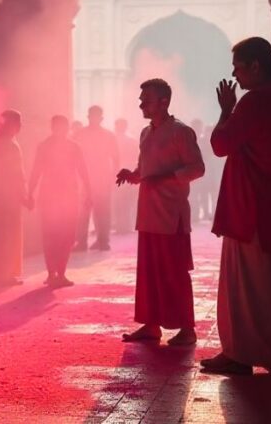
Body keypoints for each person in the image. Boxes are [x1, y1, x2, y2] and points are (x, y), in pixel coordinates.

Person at [201, 37, 271, 375]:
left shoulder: (256, 101)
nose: (234, 76)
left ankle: (240, 353)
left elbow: (221, 144)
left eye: (238, 68)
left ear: (255, 66)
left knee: (244, 285)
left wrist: (226, 110)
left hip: (250, 210)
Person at [116, 79, 205, 347]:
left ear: (164, 102)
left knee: (174, 272)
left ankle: (187, 329)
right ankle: (151, 324)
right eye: (141, 100)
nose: (141, 104)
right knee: (149, 272)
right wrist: (132, 175)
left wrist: (166, 179)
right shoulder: (146, 133)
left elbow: (197, 168)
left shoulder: (181, 132)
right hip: (148, 214)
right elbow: (145, 171)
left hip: (171, 216)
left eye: (146, 100)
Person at [28, 115, 91, 287]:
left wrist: (89, 193)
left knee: (62, 236)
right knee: (56, 235)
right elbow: (36, 171)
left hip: (63, 196)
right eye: (58, 127)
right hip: (58, 196)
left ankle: (57, 273)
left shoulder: (66, 147)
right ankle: (55, 273)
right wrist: (30, 192)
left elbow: (83, 171)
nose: (60, 130)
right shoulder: (62, 147)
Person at [0, 110, 28, 286]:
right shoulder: (10, 145)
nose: (21, 126)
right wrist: (23, 195)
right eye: (19, 122)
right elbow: (17, 174)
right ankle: (7, 274)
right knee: (9, 235)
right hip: (9, 198)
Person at [73, 106, 120, 251]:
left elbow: (116, 158)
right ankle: (94, 241)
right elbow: (116, 158)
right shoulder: (105, 135)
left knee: (98, 211)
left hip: (97, 177)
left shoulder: (81, 134)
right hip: (89, 177)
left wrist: (114, 176)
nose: (94, 119)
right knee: (89, 211)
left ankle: (98, 241)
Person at [112, 118, 139, 233]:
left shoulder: (112, 139)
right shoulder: (132, 140)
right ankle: (127, 226)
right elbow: (137, 156)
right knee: (128, 202)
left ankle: (120, 226)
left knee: (118, 202)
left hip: (116, 173)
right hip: (129, 172)